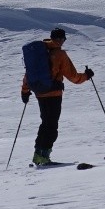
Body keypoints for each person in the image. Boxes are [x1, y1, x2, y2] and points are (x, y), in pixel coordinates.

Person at [20, 27, 93, 165]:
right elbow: (73, 76)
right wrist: (87, 76)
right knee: (52, 126)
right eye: (60, 39)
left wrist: (24, 91)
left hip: (40, 93)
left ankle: (38, 156)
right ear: (56, 39)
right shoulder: (59, 55)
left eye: (62, 39)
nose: (61, 41)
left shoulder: (40, 52)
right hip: (53, 94)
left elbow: (28, 75)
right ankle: (44, 157)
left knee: (45, 124)